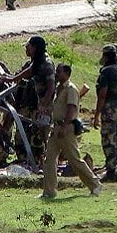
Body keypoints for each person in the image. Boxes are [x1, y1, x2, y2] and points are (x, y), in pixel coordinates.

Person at [40, 64, 103, 198]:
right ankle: (49, 191)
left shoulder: (71, 89)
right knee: (49, 160)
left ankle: (95, 184)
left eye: (59, 72)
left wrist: (64, 126)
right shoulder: (59, 89)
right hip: (55, 128)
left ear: (67, 73)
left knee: (74, 160)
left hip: (66, 129)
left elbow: (72, 109)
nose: (57, 74)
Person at [2, 35, 55, 167]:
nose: (26, 49)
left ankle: (39, 163)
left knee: (39, 136)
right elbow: (27, 72)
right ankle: (23, 160)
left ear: (35, 48)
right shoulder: (35, 61)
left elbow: (51, 87)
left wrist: (44, 105)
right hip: (32, 106)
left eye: (28, 47)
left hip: (42, 106)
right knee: (22, 134)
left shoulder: (46, 63)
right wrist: (10, 79)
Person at [93, 44, 117, 182]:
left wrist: (97, 114)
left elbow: (102, 94)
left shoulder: (106, 72)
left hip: (109, 108)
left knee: (109, 139)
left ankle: (110, 171)